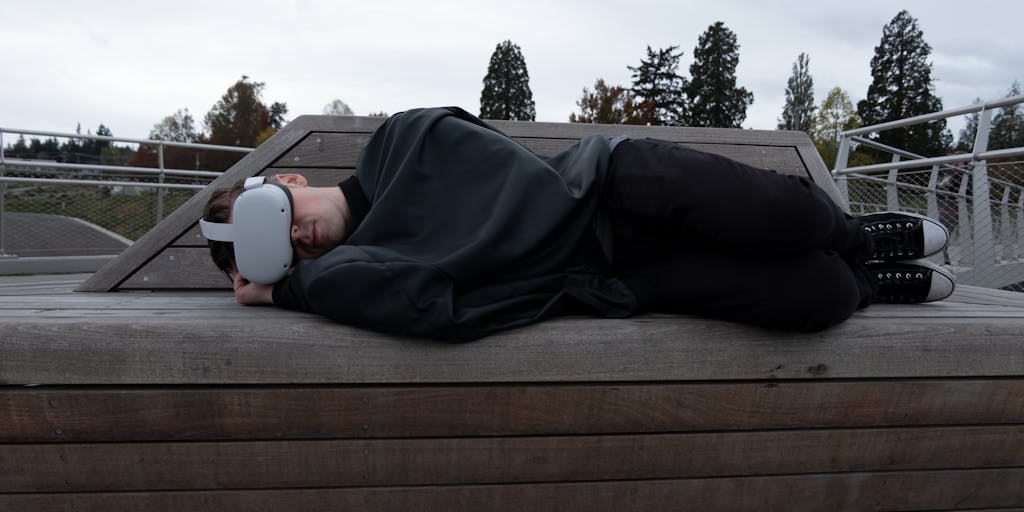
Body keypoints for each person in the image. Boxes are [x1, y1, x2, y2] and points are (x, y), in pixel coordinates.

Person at [202, 107, 955, 341]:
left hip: (610, 187)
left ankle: (862, 236)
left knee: (786, 214)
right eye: (280, 252)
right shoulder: (356, 273)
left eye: (279, 216)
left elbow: (512, 178)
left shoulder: (402, 141)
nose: (298, 239)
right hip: (613, 271)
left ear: (291, 181)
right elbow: (427, 311)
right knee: (816, 298)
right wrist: (287, 292)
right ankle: (865, 282)